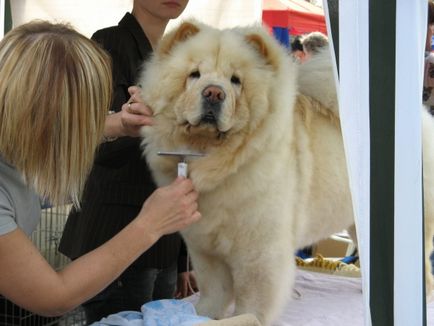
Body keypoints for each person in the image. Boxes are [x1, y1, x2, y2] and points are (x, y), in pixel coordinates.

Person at [0, 20, 200, 319]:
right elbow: (53, 296)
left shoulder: (15, 135)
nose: (88, 125)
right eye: (85, 112)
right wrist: (150, 224)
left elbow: (60, 131)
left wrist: (119, 123)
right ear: (42, 113)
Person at [58, 0, 195, 323]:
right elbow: (91, 140)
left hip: (166, 236)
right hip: (115, 228)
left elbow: (184, 158)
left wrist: (184, 258)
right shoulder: (107, 43)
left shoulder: (181, 57)